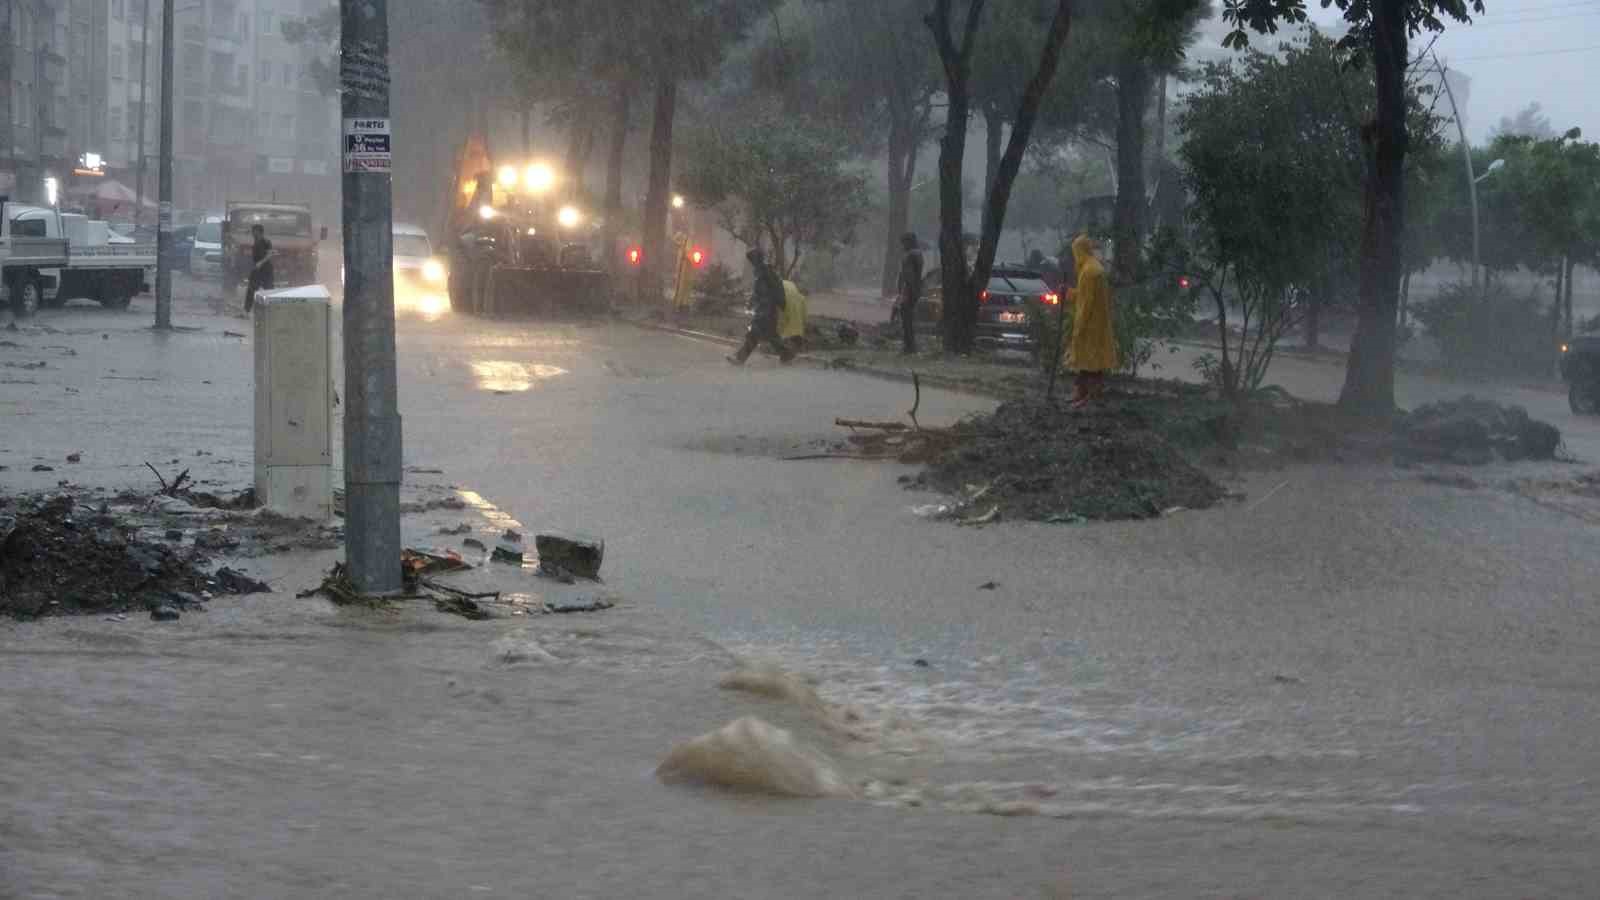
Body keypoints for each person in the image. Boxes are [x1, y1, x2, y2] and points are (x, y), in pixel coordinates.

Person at [1064, 234, 1117, 407]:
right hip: (1098, 323)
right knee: (1091, 362)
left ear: (1079, 251)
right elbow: (1084, 296)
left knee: (1090, 362)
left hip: (1090, 325)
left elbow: (1086, 304)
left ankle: (1088, 396)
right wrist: (1070, 293)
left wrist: (1079, 327)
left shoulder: (1088, 272)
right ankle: (1083, 393)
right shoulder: (1094, 267)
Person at [728, 248, 795, 365]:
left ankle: (740, 358)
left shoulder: (765, 271)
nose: (751, 263)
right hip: (765, 309)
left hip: (766, 310)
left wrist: (763, 305)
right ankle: (786, 354)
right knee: (771, 336)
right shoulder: (761, 271)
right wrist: (751, 302)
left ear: (757, 259)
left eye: (752, 260)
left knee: (754, 333)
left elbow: (769, 291)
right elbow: (759, 292)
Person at [894, 232, 924, 354]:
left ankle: (909, 347)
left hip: (908, 291)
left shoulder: (910, 256)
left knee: (906, 319)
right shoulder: (918, 254)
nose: (902, 246)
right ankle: (910, 346)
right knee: (908, 319)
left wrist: (904, 293)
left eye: (904, 243)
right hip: (913, 291)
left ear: (908, 242)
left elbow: (908, 276)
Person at [244, 223, 275, 314]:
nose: (253, 233)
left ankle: (271, 310)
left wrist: (261, 263)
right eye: (253, 231)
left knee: (269, 290)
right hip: (256, 270)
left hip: (266, 269)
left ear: (260, 232)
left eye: (255, 231)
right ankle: (246, 311)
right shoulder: (255, 241)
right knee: (251, 289)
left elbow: (270, 254)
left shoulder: (266, 241)